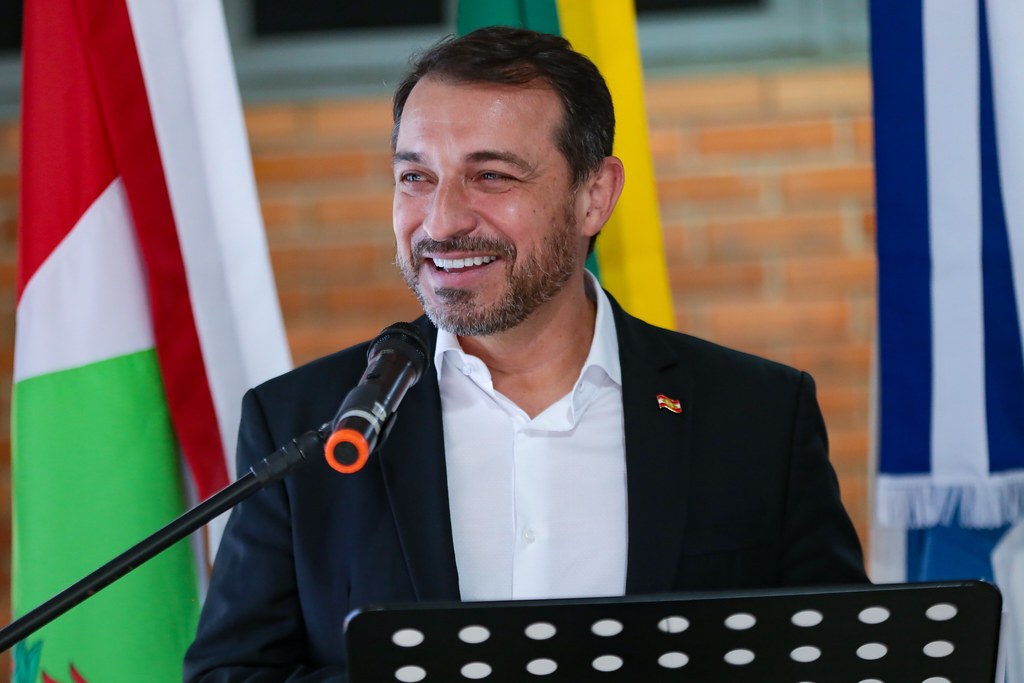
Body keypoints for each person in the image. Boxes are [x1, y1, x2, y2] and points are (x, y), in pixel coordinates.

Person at [184, 25, 867, 680]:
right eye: (415, 177)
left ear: (594, 196)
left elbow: (843, 658)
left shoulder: (757, 417)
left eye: (491, 176)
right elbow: (229, 673)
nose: (442, 221)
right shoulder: (303, 423)